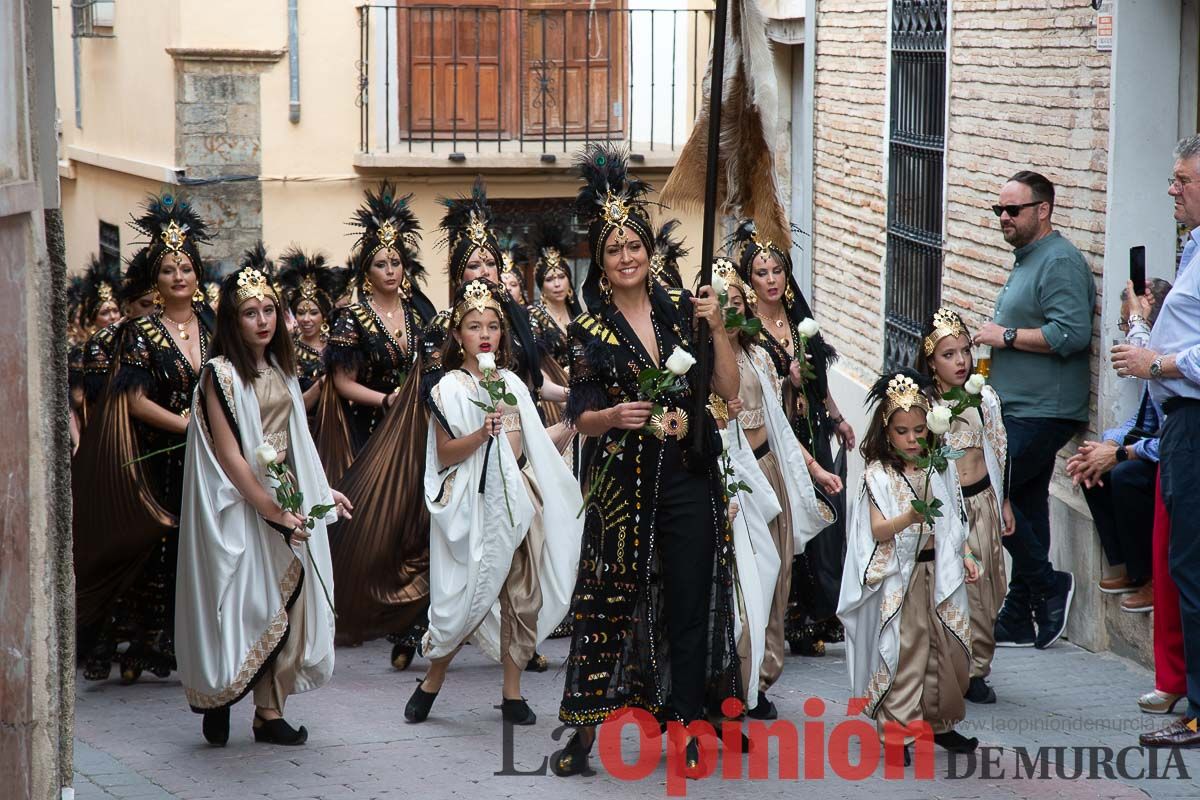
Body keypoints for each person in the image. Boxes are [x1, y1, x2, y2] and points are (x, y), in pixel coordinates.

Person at [551, 144, 740, 778]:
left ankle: (685, 722)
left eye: (634, 245)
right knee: (609, 601)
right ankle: (584, 730)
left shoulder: (685, 311)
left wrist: (718, 328)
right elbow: (579, 416)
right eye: (614, 249)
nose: (626, 256)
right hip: (623, 488)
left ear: (649, 251)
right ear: (600, 262)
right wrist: (611, 417)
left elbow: (727, 390)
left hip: (688, 474)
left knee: (688, 599)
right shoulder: (589, 331)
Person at [176, 264, 353, 746]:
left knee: (291, 600)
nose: (262, 321)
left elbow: (298, 441)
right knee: (243, 601)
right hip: (238, 501)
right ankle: (221, 693)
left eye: (269, 310)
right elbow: (231, 457)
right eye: (250, 313)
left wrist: (321, 492)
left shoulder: (281, 368)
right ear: (233, 320)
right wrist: (272, 512)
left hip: (284, 490)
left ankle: (269, 712)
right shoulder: (219, 375)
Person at [404, 280, 582, 725]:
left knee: (522, 597)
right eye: (473, 326)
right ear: (457, 335)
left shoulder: (513, 384)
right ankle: (432, 679)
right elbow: (444, 454)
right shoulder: (448, 387)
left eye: (493, 326)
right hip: (477, 504)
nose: (484, 334)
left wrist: (576, 422)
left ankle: (512, 693)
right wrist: (481, 434)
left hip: (520, 499)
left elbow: (535, 443)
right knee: (469, 597)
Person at [75, 193, 216, 683]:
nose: (179, 277)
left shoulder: (214, 328)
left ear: (198, 275)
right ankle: (139, 642)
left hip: (210, 459)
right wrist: (189, 427)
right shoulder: (141, 332)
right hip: (159, 457)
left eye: (186, 269)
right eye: (168, 270)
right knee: (155, 546)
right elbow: (133, 401)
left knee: (203, 547)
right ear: (155, 280)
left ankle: (197, 639)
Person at [715, 258, 843, 720]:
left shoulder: (760, 358)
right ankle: (737, 677)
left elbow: (781, 428)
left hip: (771, 474)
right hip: (736, 480)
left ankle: (762, 675)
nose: (729, 312)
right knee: (747, 582)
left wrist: (815, 469)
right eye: (720, 305)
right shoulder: (705, 366)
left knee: (777, 582)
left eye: (735, 303)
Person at [973, 170, 1095, 650]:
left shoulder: (1059, 261)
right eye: (999, 210)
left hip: (1045, 410)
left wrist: (1002, 336)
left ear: (1043, 210)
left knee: (983, 489)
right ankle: (1019, 616)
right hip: (1019, 408)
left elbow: (1071, 333)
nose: (1004, 217)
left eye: (1013, 209)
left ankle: (1048, 585)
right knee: (1024, 503)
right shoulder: (1029, 257)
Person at [321, 183, 437, 671]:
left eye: (396, 263)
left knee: (418, 523)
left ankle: (412, 623)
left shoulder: (419, 314)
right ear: (365, 273)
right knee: (377, 528)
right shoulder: (352, 318)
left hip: (417, 433)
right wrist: (388, 399)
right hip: (369, 431)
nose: (391, 271)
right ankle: (370, 605)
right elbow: (342, 382)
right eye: (381, 264)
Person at [837, 369, 979, 767]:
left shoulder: (938, 466)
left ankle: (939, 722)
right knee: (909, 652)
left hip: (941, 572)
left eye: (919, 430)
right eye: (903, 432)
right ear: (886, 432)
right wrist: (910, 518)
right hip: (905, 576)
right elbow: (878, 529)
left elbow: (954, 517)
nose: (913, 439)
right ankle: (897, 732)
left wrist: (966, 554)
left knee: (947, 649)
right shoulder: (878, 476)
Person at [730, 219, 854, 657]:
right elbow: (759, 389)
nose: (771, 280)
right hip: (780, 436)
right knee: (791, 516)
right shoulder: (751, 330)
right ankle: (793, 621)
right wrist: (788, 381)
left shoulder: (799, 318)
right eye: (761, 273)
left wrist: (837, 417)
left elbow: (819, 377)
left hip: (811, 428)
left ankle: (820, 614)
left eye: (777, 271)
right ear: (749, 281)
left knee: (823, 519)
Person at [1116, 135, 1200, 748]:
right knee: (1183, 565)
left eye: (1183, 179)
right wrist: (1142, 330)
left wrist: (1157, 363)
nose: (1171, 188)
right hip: (1180, 425)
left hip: (1193, 424)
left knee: (1191, 569)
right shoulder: (1193, 247)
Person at [916, 307, 1014, 704]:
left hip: (984, 503)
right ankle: (967, 672)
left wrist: (1003, 501)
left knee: (989, 591)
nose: (960, 361)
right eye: (948, 354)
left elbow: (998, 449)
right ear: (930, 362)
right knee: (960, 589)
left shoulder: (984, 398)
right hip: (951, 512)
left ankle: (980, 659)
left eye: (964, 351)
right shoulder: (926, 407)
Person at [1069, 280, 1171, 614]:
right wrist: (1109, 443)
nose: (1126, 333)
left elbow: (1171, 440)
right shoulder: (1151, 368)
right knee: (1090, 467)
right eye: (1125, 323)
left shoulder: (1168, 364)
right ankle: (1131, 567)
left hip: (1178, 458)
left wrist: (1120, 453)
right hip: (1157, 446)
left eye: (1132, 323)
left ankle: (1153, 577)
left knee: (1127, 475)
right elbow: (1142, 419)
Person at [276, 248, 349, 427]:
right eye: (301, 312)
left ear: (324, 316)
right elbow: (290, 407)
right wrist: (321, 385)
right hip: (306, 429)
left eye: (314, 313)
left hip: (342, 428)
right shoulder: (287, 352)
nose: (306, 319)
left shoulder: (339, 345)